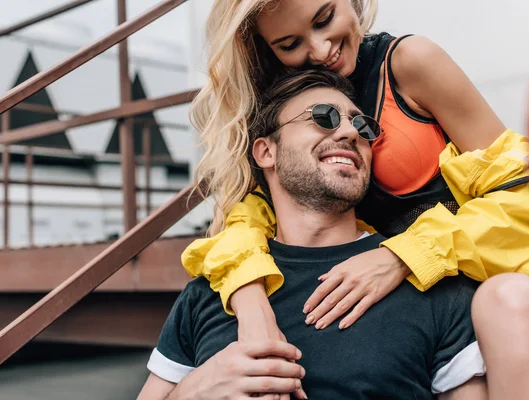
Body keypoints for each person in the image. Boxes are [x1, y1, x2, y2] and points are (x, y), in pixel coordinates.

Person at [180, 0, 529, 387]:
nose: (321, 49)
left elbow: (528, 194)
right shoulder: (282, 113)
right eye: (290, 44)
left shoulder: (411, 62)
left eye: (324, 19)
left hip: (515, 314)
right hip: (415, 322)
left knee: (507, 299)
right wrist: (250, 303)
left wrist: (403, 255)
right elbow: (247, 219)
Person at [138, 70, 487, 400]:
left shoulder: (435, 285)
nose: (351, 133)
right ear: (266, 151)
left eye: (363, 127)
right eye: (323, 116)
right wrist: (192, 392)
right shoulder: (210, 291)